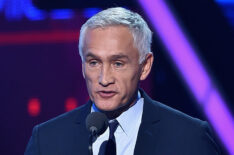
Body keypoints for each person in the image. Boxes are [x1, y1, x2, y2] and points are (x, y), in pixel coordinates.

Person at [25, 7, 220, 155]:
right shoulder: (47, 140)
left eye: (118, 63)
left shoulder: (190, 138)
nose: (104, 79)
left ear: (145, 66)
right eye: (94, 62)